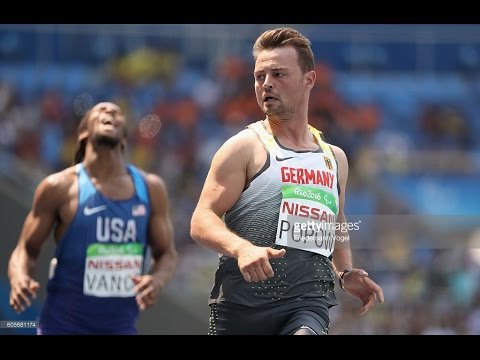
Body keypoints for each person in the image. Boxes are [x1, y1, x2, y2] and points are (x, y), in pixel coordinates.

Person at [190, 27, 384, 335]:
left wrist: (345, 270)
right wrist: (242, 249)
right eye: (259, 76)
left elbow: (336, 220)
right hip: (241, 308)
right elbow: (201, 220)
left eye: (278, 74)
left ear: (309, 80)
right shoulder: (244, 148)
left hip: (307, 304)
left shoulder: (335, 158)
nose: (266, 83)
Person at [8, 102, 177, 335]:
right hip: (61, 327)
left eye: (117, 113)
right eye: (100, 111)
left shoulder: (151, 189)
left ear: (124, 139)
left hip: (120, 329)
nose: (110, 112)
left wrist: (157, 280)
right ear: (83, 132)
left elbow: (166, 253)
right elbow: (26, 249)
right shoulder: (59, 187)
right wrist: (20, 278)